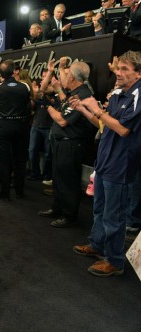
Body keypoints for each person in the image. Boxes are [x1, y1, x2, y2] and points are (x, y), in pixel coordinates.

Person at [72, 50, 141, 277]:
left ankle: (114, 261)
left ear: (138, 74)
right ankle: (98, 245)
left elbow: (122, 129)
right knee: (100, 210)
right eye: (118, 68)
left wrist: (97, 109)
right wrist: (85, 109)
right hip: (104, 161)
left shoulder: (137, 96)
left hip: (119, 166)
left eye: (124, 69)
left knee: (114, 216)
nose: (118, 73)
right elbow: (104, 124)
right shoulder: (120, 92)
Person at [38, 60, 94, 227]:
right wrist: (56, 88)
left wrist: (46, 105)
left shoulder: (82, 95)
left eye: (67, 74)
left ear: (74, 78)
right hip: (62, 143)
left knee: (68, 181)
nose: (65, 76)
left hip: (70, 144)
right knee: (58, 178)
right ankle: (58, 208)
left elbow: (62, 121)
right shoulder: (74, 92)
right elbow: (58, 100)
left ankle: (69, 215)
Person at [0, 59, 31, 200]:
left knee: (3, 160)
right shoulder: (25, 86)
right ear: (14, 71)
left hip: (4, 126)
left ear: (2, 73)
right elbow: (28, 106)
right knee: (20, 160)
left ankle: (5, 192)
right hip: (21, 126)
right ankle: (19, 191)